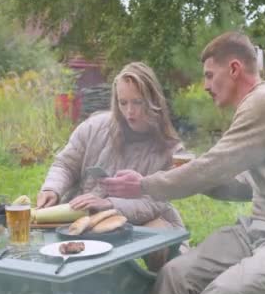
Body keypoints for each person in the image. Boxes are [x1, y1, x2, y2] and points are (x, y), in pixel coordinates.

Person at [102, 32, 265, 294]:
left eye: (209, 75)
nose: (205, 86)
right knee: (174, 275)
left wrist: (144, 185)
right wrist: (194, 179)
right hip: (258, 231)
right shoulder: (254, 108)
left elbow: (212, 166)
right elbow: (240, 186)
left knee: (225, 292)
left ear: (234, 69)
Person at [37, 61, 186, 271]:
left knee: (159, 242)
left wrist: (110, 204)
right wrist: (52, 188)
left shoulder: (170, 149)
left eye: (138, 102)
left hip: (144, 218)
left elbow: (154, 202)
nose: (129, 111)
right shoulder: (94, 128)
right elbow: (65, 164)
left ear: (153, 101)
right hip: (85, 216)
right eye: (123, 103)